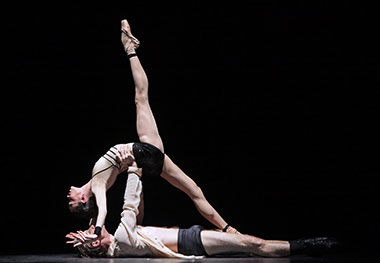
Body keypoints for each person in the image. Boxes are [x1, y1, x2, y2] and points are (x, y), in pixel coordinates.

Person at [67, 19, 238, 238]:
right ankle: (129, 50)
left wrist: (91, 228)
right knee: (141, 98)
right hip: (143, 151)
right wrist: (98, 227)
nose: (68, 196)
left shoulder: (96, 182)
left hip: (150, 160)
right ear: (83, 198)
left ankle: (230, 230)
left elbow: (94, 212)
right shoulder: (98, 184)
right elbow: (103, 209)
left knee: (194, 190)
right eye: (71, 201)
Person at [66, 168, 338, 258]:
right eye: (91, 233)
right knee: (252, 244)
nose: (93, 229)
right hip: (191, 241)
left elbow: (136, 212)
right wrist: (135, 168)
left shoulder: (124, 242)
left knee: (249, 245)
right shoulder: (122, 242)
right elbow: (130, 205)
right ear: (97, 245)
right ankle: (308, 245)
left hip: (189, 237)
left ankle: (306, 246)